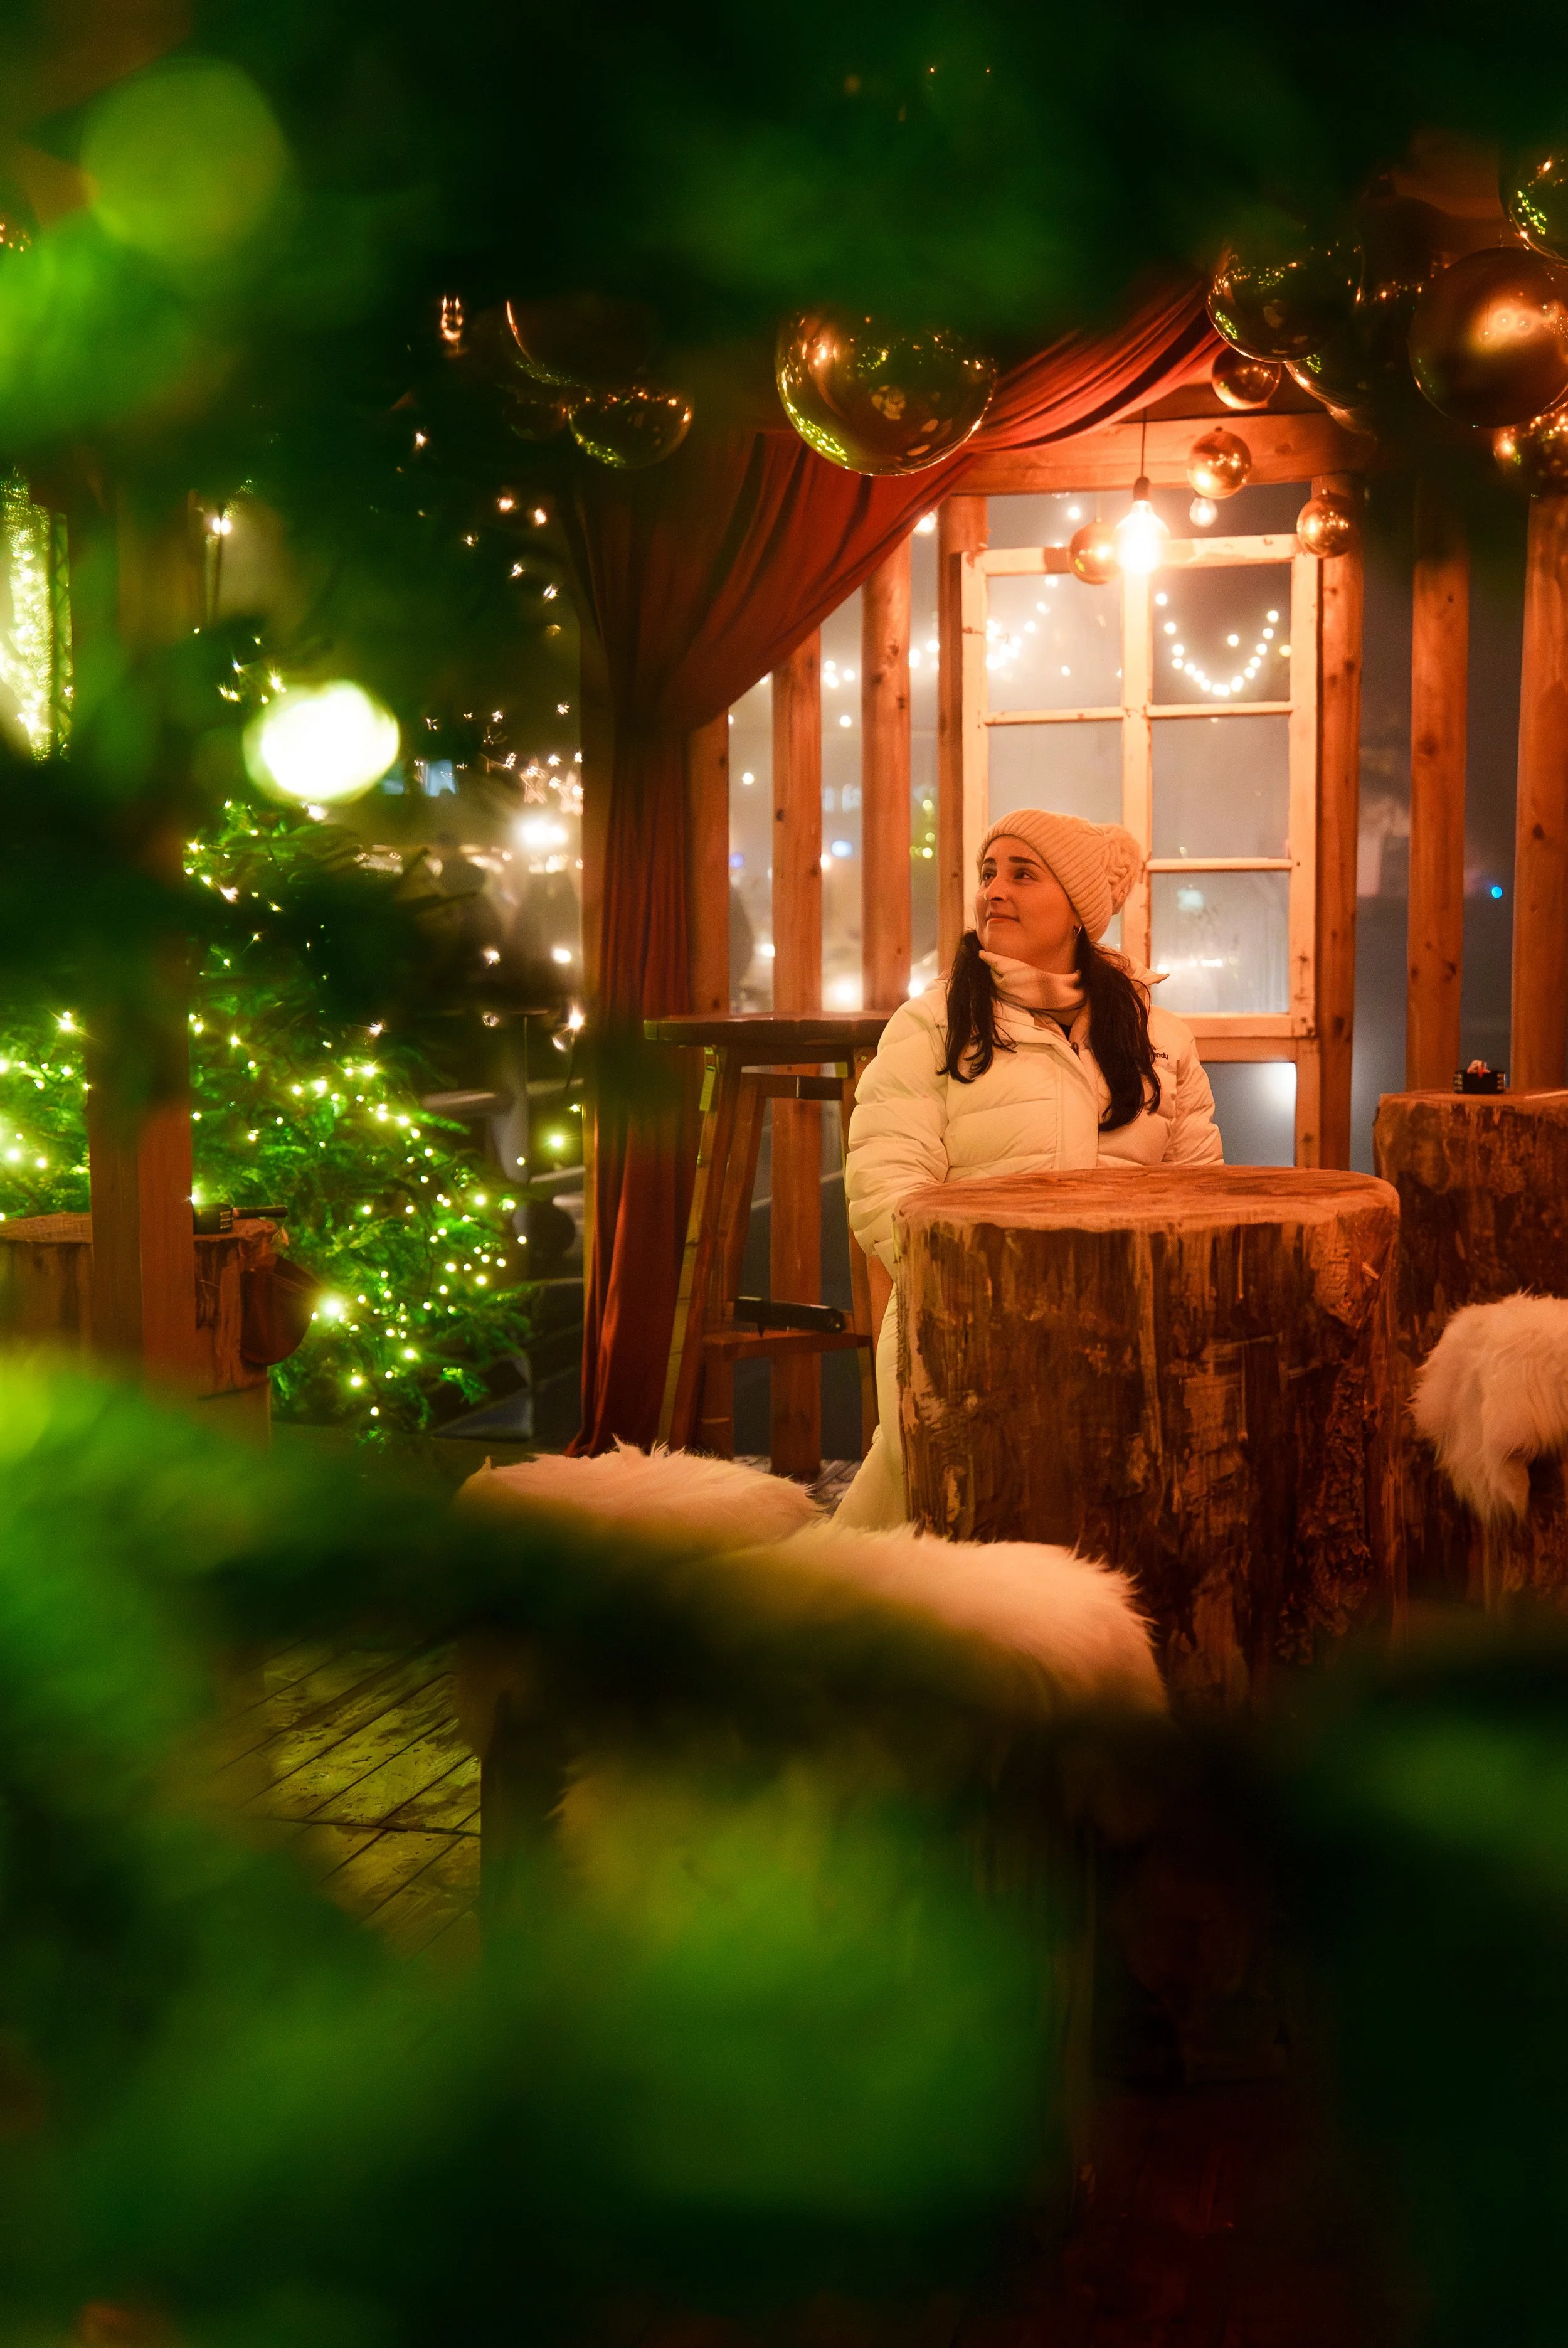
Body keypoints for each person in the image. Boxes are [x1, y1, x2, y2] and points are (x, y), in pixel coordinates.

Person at [837, 808, 1222, 1529]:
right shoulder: (932, 1024)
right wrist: (974, 1285)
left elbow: (1201, 1193)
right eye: (988, 873)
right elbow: (885, 1184)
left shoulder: (1159, 1038)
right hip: (963, 1314)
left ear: (1076, 908)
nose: (995, 891)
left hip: (1131, 1316)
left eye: (1022, 873)